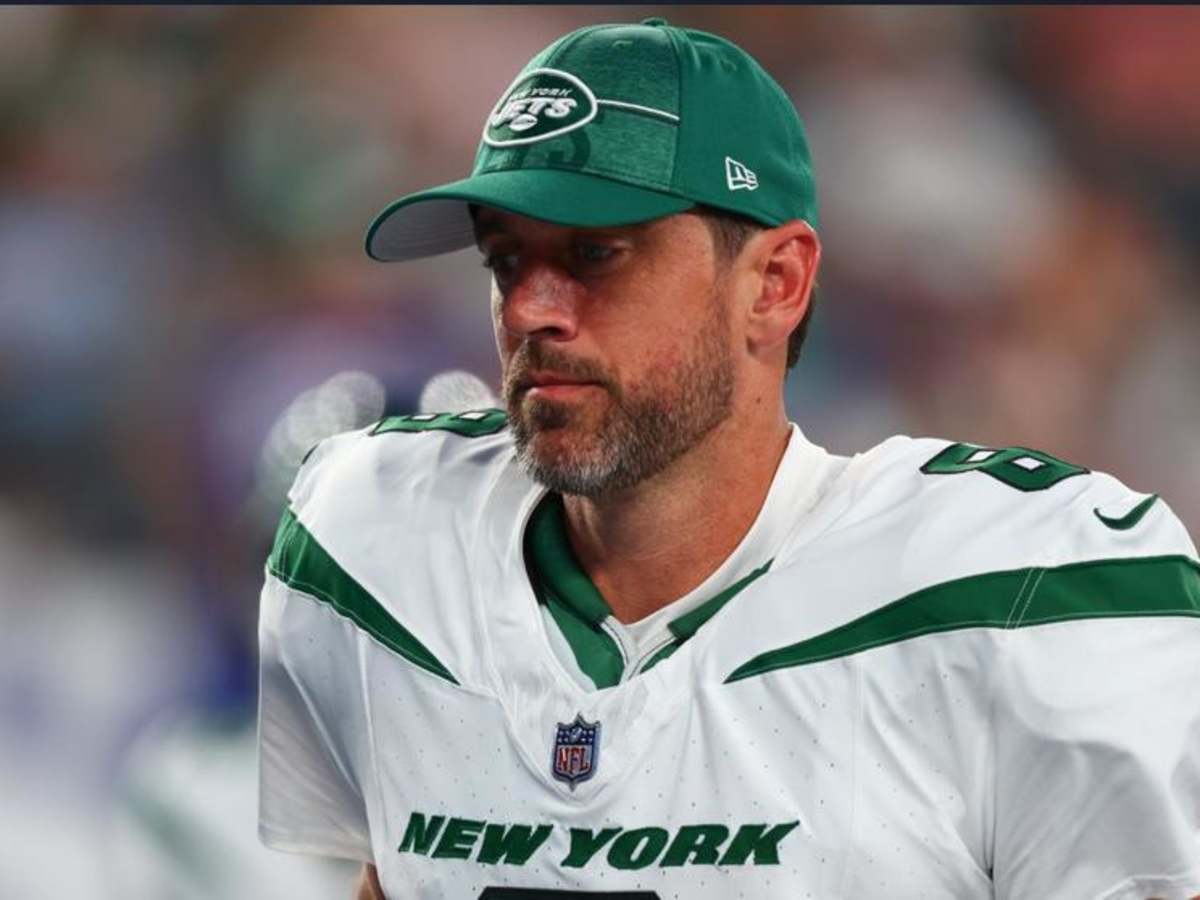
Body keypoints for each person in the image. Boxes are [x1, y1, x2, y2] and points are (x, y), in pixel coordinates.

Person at [257, 18, 1200, 900]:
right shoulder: (378, 540)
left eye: (595, 255)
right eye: (507, 261)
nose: (531, 308)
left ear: (775, 285)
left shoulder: (1009, 595)